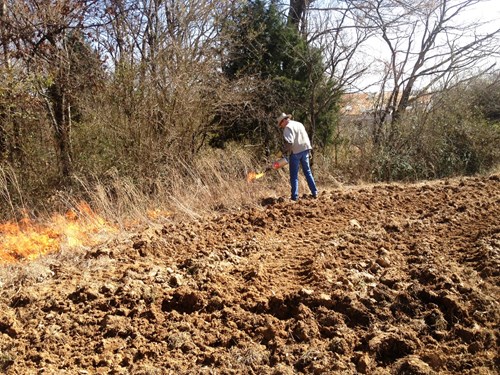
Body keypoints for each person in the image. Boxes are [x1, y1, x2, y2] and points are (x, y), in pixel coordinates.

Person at [276, 113, 318, 201]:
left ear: (284, 120)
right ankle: (315, 192)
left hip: (295, 152)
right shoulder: (299, 124)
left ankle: (294, 197)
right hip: (305, 150)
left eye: (281, 124)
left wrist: (282, 152)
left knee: (294, 175)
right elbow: (305, 137)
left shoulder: (288, 128)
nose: (281, 126)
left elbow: (289, 143)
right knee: (307, 172)